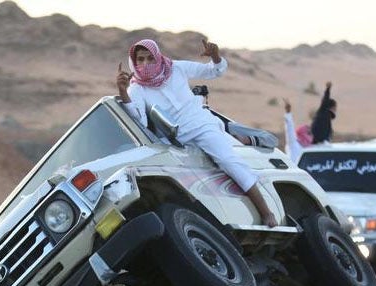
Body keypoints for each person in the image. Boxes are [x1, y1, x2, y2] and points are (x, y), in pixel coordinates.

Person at [116, 38, 277, 227]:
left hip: (201, 125)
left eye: (150, 58)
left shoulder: (175, 68)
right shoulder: (137, 88)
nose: (145, 64)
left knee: (227, 161)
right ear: (134, 62)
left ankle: (266, 212)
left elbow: (214, 71)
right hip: (174, 140)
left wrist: (215, 56)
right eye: (140, 60)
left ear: (158, 56)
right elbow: (140, 120)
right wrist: (123, 92)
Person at [281, 98, 312, 163]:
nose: (309, 135)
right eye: (308, 133)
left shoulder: (310, 148)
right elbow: (289, 130)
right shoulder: (293, 144)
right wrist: (288, 113)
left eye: (309, 133)